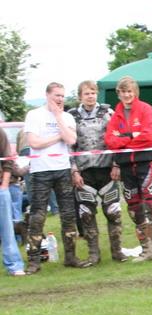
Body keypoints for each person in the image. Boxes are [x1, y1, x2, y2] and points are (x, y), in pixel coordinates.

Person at [104, 76, 152, 262]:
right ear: (118, 94)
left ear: (135, 92)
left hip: (146, 163)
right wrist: (131, 137)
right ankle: (146, 250)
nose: (127, 95)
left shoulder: (145, 109)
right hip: (126, 166)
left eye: (129, 91)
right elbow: (110, 141)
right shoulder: (116, 115)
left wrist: (124, 140)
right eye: (123, 92)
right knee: (134, 209)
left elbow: (150, 137)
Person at [23, 82, 91, 274]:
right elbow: (34, 143)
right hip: (40, 171)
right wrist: (57, 137)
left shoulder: (67, 117)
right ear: (47, 95)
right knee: (38, 215)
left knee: (68, 214)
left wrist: (58, 117)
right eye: (57, 95)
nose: (60, 99)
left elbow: (71, 140)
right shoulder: (34, 115)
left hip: (63, 169)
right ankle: (34, 261)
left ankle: (71, 257)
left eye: (62, 95)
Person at [68, 80, 126, 265]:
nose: (90, 96)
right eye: (86, 93)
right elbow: (69, 146)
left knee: (114, 212)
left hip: (107, 169)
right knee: (86, 214)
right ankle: (94, 254)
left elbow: (117, 139)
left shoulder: (108, 113)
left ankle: (117, 251)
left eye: (93, 92)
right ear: (80, 96)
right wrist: (74, 171)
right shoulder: (71, 117)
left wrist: (117, 164)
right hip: (84, 171)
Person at [0, 128, 25, 276]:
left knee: (7, 230)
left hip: (1, 188)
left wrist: (4, 185)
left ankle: (15, 265)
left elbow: (7, 160)